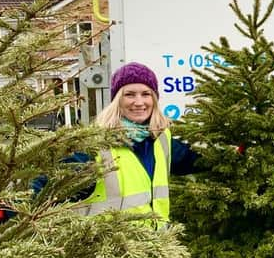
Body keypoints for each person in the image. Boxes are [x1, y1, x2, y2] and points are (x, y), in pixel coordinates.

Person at [75, 61, 202, 226]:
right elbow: (54, 183)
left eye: (146, 94)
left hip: (157, 244)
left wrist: (236, 151)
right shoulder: (95, 144)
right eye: (130, 94)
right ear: (117, 100)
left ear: (154, 99)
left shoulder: (160, 138)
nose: (139, 102)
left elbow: (195, 160)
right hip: (111, 247)